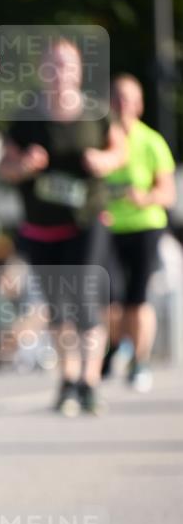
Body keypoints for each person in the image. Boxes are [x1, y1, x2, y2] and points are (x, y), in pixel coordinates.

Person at [0, 39, 126, 416]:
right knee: (57, 307)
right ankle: (68, 381)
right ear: (42, 71)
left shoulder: (96, 112)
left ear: (78, 71)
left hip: (86, 222)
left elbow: (121, 151)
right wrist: (24, 165)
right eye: (52, 66)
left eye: (67, 66)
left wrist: (103, 160)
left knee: (85, 299)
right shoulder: (27, 115)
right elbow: (5, 167)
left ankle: (89, 381)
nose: (59, 73)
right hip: (41, 226)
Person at [102, 74, 177, 391]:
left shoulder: (152, 142)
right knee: (110, 299)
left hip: (145, 226)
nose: (123, 105)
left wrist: (143, 196)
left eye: (129, 99)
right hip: (108, 227)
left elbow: (168, 194)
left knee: (138, 298)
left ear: (140, 105)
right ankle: (116, 345)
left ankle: (139, 361)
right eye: (117, 98)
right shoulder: (101, 137)